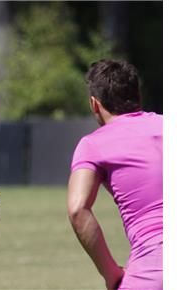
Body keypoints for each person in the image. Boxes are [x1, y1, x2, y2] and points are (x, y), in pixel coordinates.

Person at [67, 59, 162, 290]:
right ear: (137, 95)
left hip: (155, 267)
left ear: (94, 104)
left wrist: (111, 274)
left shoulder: (93, 144)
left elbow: (78, 209)